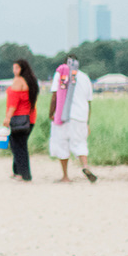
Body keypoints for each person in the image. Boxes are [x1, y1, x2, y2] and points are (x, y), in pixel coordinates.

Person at [49, 56, 98, 184]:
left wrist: (51, 113)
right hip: (81, 116)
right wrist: (87, 122)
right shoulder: (85, 77)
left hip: (63, 116)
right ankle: (85, 166)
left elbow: (55, 95)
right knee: (80, 143)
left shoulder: (60, 74)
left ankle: (65, 176)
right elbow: (89, 101)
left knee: (62, 144)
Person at [4, 58, 39, 182]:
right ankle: (18, 172)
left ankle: (23, 174)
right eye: (13, 68)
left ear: (22, 69)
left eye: (16, 68)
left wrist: (7, 117)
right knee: (20, 145)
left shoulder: (18, 81)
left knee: (17, 146)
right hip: (30, 118)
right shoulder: (32, 81)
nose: (14, 71)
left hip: (19, 117)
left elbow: (14, 102)